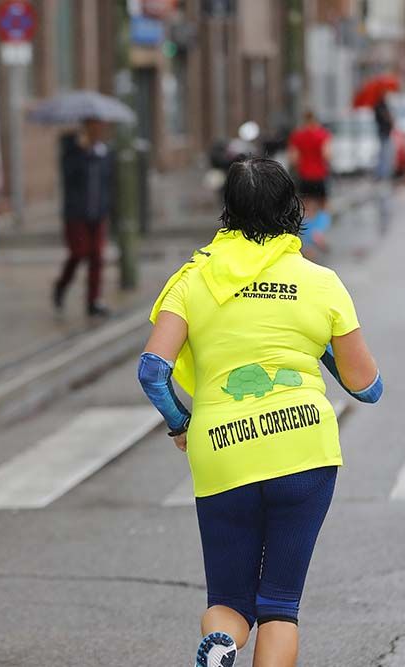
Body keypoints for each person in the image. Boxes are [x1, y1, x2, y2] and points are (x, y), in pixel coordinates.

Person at [138, 157, 381, 667]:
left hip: (222, 450)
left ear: (228, 211)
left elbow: (152, 371)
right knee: (280, 607)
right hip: (303, 451)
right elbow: (367, 387)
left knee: (228, 602)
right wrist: (323, 352)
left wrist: (180, 423)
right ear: (292, 208)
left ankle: (223, 644)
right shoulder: (321, 283)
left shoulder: (192, 279)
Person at [53, 118, 115, 319]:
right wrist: (82, 152)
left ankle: (93, 301)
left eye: (102, 127)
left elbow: (109, 182)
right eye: (95, 127)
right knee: (79, 253)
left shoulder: (104, 153)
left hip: (97, 213)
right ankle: (61, 285)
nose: (99, 131)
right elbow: (68, 176)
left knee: (97, 256)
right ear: (87, 128)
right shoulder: (72, 150)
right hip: (77, 214)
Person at [288, 110, 332, 257]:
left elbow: (293, 158)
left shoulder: (297, 136)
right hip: (319, 175)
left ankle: (307, 246)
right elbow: (327, 154)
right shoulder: (322, 134)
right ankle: (318, 232)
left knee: (306, 211)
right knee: (324, 207)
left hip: (304, 176)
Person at [373, 97, 394, 180]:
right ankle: (382, 173)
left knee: (385, 153)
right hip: (383, 132)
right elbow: (382, 118)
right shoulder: (378, 107)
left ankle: (384, 172)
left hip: (386, 132)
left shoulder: (384, 106)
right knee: (384, 154)